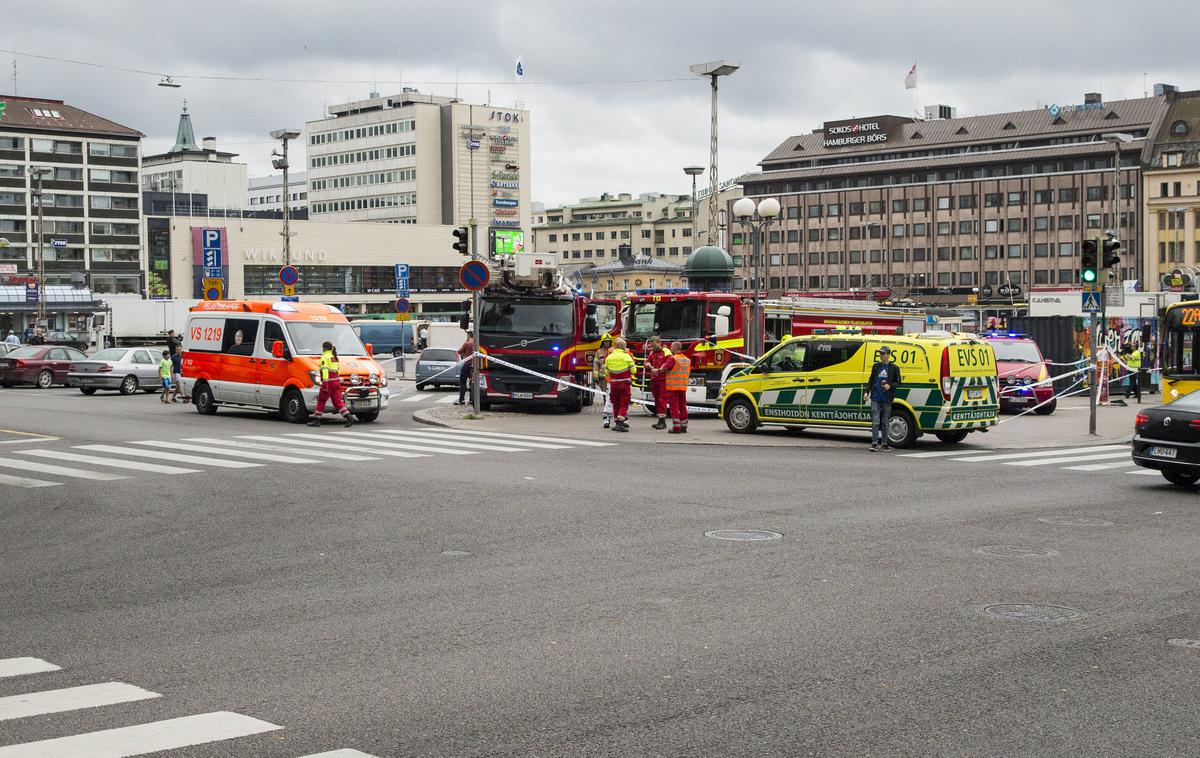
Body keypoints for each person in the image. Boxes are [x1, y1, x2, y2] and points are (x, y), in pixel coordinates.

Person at [307, 341, 355, 427]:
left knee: (321, 400)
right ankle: (349, 417)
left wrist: (325, 382)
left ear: (324, 348)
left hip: (329, 382)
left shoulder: (325, 357)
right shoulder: (334, 357)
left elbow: (325, 370)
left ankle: (316, 420)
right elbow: (338, 370)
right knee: (337, 402)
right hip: (336, 382)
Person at [867, 345, 901, 452]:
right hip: (876, 397)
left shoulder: (894, 368)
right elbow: (871, 380)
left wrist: (890, 386)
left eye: (883, 354)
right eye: (880, 354)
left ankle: (885, 443)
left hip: (886, 398)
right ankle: (874, 443)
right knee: (875, 421)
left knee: (886, 422)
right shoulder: (876, 366)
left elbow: (898, 382)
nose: (880, 355)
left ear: (888, 355)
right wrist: (866, 392)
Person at [604, 337, 637, 432]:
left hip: (613, 384)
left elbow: (606, 372)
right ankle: (621, 421)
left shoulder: (609, 357)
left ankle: (616, 422)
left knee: (615, 403)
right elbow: (633, 371)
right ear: (624, 347)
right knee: (624, 403)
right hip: (624, 384)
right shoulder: (627, 357)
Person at [664, 340, 692, 434]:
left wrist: (656, 369)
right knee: (682, 406)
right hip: (682, 387)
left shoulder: (673, 358)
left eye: (671, 347)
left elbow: (664, 368)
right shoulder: (687, 359)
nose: (670, 348)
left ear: (675, 348)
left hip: (673, 388)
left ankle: (676, 428)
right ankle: (684, 426)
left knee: (674, 407)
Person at [644, 335, 672, 430]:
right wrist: (647, 364)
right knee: (657, 399)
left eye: (654, 345)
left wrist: (659, 370)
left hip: (663, 379)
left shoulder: (666, 352)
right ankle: (659, 419)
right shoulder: (652, 352)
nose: (652, 347)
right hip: (654, 379)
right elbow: (647, 362)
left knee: (662, 400)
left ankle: (662, 420)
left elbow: (669, 363)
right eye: (651, 346)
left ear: (659, 342)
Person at [593, 335, 613, 428]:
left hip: (611, 377)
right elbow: (596, 365)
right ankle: (607, 411)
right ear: (602, 342)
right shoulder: (599, 352)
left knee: (611, 395)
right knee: (605, 395)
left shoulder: (613, 351)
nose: (607, 343)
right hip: (602, 377)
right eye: (605, 341)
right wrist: (595, 377)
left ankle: (609, 411)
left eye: (609, 341)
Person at [166, 329, 188, 402]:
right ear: (171, 333)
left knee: (178, 386)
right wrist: (170, 374)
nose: (174, 334)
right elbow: (178, 342)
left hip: (180, 371)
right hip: (176, 371)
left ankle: (173, 397)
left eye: (180, 349)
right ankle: (183, 397)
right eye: (173, 333)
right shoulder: (172, 339)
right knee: (179, 384)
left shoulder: (169, 339)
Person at [455, 330, 476, 406]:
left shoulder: (467, 343)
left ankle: (462, 399)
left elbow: (459, 351)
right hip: (474, 366)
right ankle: (471, 399)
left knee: (462, 382)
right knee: (472, 383)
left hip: (467, 365)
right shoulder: (477, 343)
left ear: (469, 336)